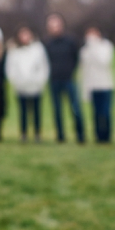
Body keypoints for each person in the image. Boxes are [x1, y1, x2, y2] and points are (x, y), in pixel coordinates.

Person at [44, 13, 85, 144]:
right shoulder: (48, 44)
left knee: (75, 108)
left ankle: (80, 135)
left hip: (69, 80)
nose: (55, 28)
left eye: (57, 24)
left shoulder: (71, 41)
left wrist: (71, 71)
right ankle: (60, 136)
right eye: (52, 25)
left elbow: (77, 58)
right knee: (57, 110)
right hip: (54, 81)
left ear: (62, 25)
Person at [5, 26, 49, 143]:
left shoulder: (38, 49)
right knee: (23, 112)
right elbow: (10, 69)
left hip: (35, 86)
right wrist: (16, 81)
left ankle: (37, 134)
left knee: (36, 112)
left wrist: (40, 81)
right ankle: (23, 134)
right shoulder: (14, 50)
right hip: (21, 87)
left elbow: (44, 67)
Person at [79, 27, 115, 143]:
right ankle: (98, 136)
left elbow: (103, 62)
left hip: (105, 85)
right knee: (95, 113)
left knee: (105, 112)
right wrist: (85, 90)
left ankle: (107, 136)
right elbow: (84, 70)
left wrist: (94, 47)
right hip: (92, 86)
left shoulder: (106, 46)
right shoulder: (84, 50)